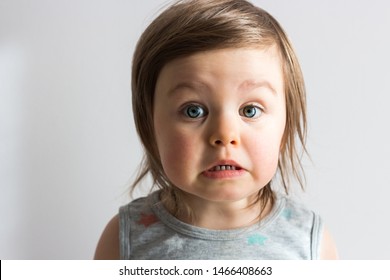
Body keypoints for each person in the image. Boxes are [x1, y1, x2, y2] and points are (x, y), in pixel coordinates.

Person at [94, 0, 338, 260]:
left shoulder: (310, 242)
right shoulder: (125, 239)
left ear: (285, 127)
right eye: (193, 111)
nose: (224, 134)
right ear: (149, 124)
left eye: (250, 110)